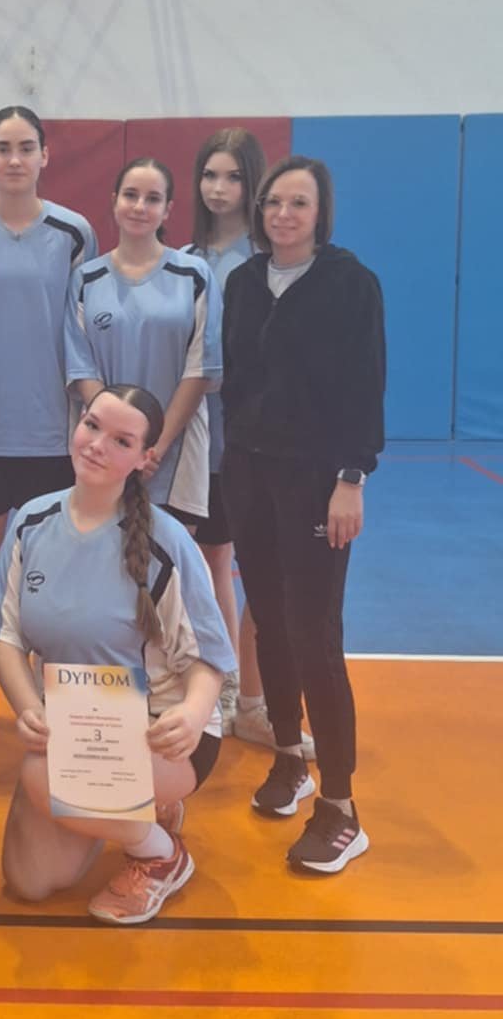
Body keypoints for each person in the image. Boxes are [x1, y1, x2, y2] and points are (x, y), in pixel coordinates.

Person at [0, 385, 237, 922]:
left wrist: (194, 714)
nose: (98, 444)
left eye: (122, 440)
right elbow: (5, 636)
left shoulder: (167, 542)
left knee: (40, 777)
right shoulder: (31, 522)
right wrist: (28, 708)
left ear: (145, 458)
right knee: (30, 881)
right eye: (93, 425)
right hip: (72, 729)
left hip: (158, 732)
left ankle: (160, 853)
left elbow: (209, 657)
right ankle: (131, 810)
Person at [221, 155, 385, 873]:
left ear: (321, 213)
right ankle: (289, 758)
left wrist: (351, 477)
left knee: (316, 633)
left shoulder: (350, 283)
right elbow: (237, 380)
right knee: (270, 621)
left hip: (317, 481)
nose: (283, 214)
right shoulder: (243, 282)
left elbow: (365, 386)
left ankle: (341, 808)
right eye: (273, 202)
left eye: (299, 203)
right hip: (249, 475)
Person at [0, 106, 96, 743]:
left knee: (50, 570)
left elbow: (82, 328)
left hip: (52, 435)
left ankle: (53, 696)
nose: (14, 158)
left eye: (25, 147)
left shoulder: (74, 232)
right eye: (2, 147)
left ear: (44, 155)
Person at [182, 129, 312, 755]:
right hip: (193, 436)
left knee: (262, 570)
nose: (220, 188)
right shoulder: (182, 257)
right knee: (206, 564)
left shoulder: (270, 259)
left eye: (233, 177)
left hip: (258, 439)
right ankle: (220, 686)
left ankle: (253, 700)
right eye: (210, 175)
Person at [64, 157, 221, 523]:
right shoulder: (85, 279)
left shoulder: (194, 275)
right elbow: (82, 369)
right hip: (105, 455)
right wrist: (119, 444)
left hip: (174, 455)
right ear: (114, 200)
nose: (139, 206)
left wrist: (151, 449)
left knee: (171, 557)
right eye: (131, 195)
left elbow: (200, 370)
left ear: (167, 209)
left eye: (152, 199)